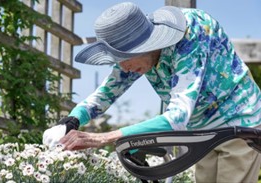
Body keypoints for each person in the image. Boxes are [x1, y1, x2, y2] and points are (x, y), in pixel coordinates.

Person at [43, 2, 261, 183]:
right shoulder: (131, 58)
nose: (123, 68)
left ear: (147, 45)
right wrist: (71, 121)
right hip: (202, 130)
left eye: (125, 59)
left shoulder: (192, 34)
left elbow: (177, 118)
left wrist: (103, 138)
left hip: (239, 122)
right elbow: (106, 92)